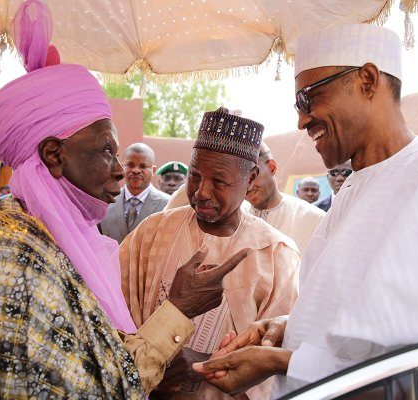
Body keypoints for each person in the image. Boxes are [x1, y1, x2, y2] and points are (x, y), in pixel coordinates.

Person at [0, 2, 248, 397]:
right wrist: (178, 310)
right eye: (106, 152)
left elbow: (94, 363)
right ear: (54, 154)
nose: (120, 170)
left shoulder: (61, 243)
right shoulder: (4, 261)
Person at [193, 23, 418, 398]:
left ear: (368, 80)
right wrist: (287, 328)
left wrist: (281, 362)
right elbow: (369, 327)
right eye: (297, 106)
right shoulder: (353, 190)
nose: (301, 120)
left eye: (308, 99)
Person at [120, 108, 300, 399]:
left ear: (251, 178)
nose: (201, 191)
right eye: (195, 175)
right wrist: (154, 352)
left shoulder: (277, 255)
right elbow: (113, 316)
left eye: (219, 181)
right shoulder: (152, 232)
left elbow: (276, 361)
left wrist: (204, 364)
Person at [244, 142, 324, 253]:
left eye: (252, 175)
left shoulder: (314, 220)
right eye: (237, 178)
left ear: (272, 167)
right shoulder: (234, 217)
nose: (246, 185)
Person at [99, 142, 169, 244]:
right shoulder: (104, 202)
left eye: (143, 166)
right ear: (122, 167)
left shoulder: (167, 205)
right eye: (130, 165)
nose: (136, 170)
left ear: (153, 170)